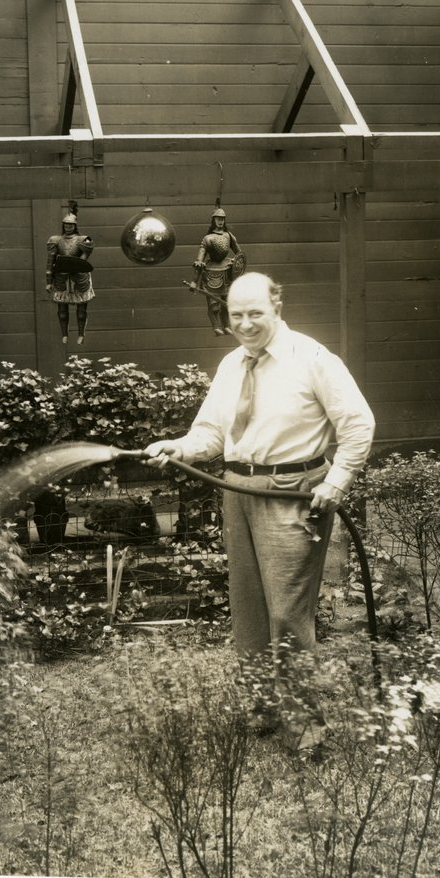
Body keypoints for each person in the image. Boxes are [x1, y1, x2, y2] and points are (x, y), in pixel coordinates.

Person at [145, 271, 375, 745]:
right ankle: (262, 709)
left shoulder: (312, 359)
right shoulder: (232, 363)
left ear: (277, 307)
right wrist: (179, 447)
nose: (245, 324)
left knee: (287, 612)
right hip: (238, 490)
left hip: (290, 491)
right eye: (236, 315)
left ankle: (306, 728)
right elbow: (212, 432)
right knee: (248, 606)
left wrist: (337, 481)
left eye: (255, 313)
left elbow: (358, 423)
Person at [46, 209, 95, 345]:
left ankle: (81, 334)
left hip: (79, 276)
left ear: (75, 226)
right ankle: (64, 334)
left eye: (71, 225)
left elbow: (85, 256)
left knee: (81, 310)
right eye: (66, 225)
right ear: (63, 226)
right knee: (62, 310)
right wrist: (48, 281)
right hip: (61, 276)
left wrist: (78, 264)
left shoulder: (82, 239)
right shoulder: (56, 240)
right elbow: (50, 262)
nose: (68, 228)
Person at [193, 206, 242, 335]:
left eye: (222, 219)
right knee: (214, 305)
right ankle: (216, 326)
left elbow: (239, 253)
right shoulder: (208, 238)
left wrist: (235, 261)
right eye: (218, 219)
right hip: (211, 272)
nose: (220, 221)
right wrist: (194, 280)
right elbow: (200, 258)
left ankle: (226, 325)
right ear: (213, 220)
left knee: (226, 303)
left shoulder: (229, 235)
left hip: (227, 271)